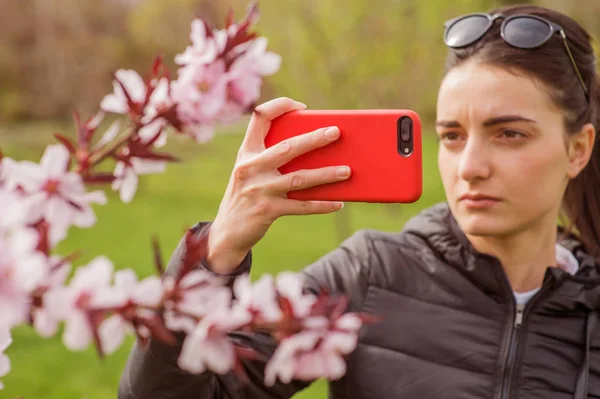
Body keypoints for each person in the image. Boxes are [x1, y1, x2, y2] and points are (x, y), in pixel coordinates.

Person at [118, 4, 600, 399]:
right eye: (452, 135)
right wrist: (214, 253)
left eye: (509, 134)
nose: (470, 166)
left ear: (578, 150)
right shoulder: (368, 275)